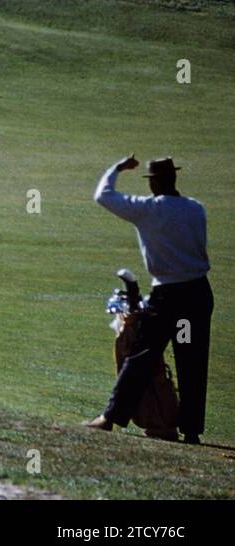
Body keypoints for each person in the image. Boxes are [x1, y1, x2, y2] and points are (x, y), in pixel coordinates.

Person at [85, 156, 212, 444]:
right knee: (191, 358)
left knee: (142, 355)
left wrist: (116, 168)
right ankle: (191, 430)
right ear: (174, 179)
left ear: (153, 182)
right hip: (197, 293)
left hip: (168, 295)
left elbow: (103, 195)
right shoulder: (196, 209)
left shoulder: (147, 210)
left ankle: (111, 417)